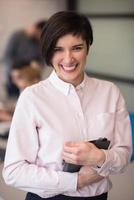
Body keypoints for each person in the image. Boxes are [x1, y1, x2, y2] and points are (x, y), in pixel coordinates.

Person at [3, 11, 132, 200]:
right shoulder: (32, 98)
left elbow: (123, 156)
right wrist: (75, 181)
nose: (68, 58)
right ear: (48, 52)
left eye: (77, 47)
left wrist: (98, 158)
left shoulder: (110, 92)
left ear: (88, 46)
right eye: (58, 49)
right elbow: (13, 172)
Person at [3, 20, 46, 97]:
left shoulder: (38, 42)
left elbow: (42, 60)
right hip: (15, 76)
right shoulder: (17, 36)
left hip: (30, 78)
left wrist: (37, 69)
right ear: (36, 29)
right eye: (40, 34)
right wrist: (15, 73)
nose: (41, 38)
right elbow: (7, 57)